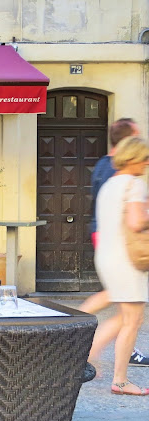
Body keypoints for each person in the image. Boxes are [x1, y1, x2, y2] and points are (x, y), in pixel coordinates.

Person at [79, 118, 149, 366]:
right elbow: (134, 221)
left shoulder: (102, 167)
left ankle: (80, 330)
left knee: (121, 302)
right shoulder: (127, 179)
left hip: (106, 239)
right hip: (120, 244)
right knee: (126, 308)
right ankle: (84, 336)